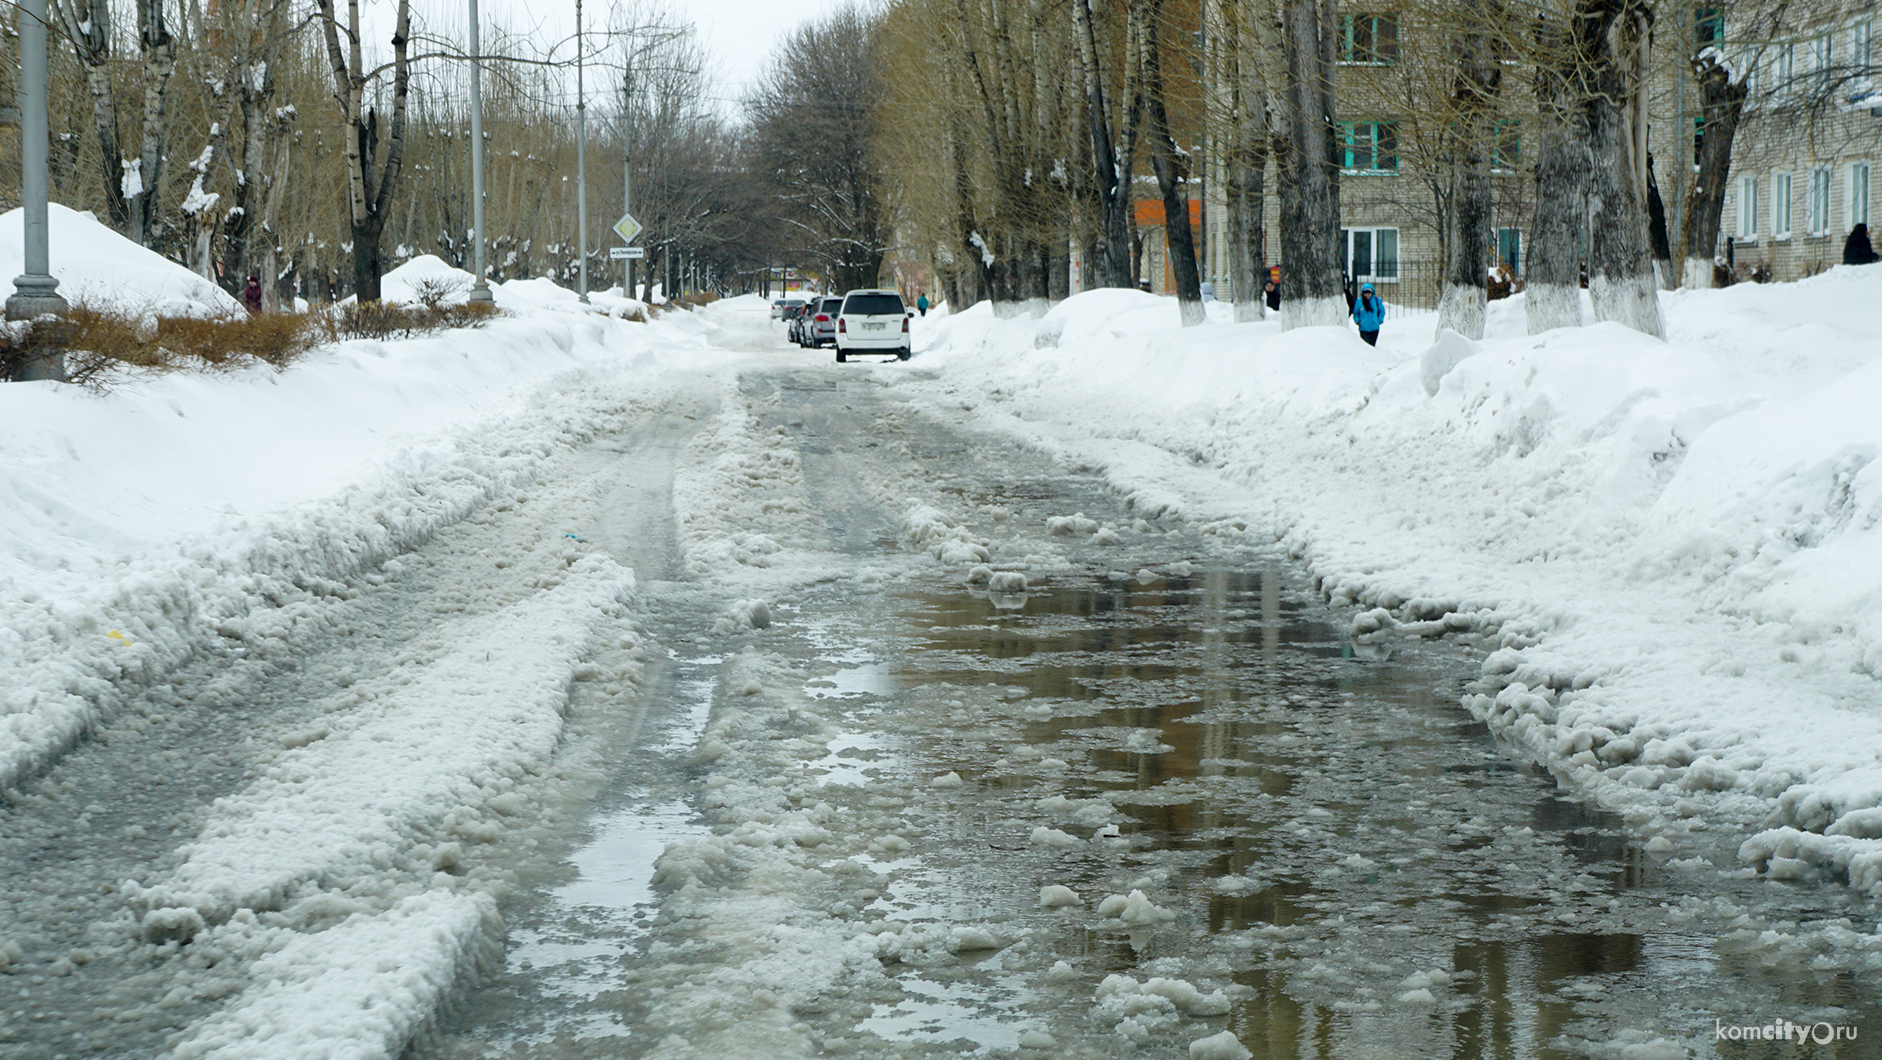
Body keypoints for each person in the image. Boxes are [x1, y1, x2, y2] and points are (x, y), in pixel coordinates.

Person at [1351, 282, 1385, 346]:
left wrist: (1380, 320)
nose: (1367, 295)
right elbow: (1355, 313)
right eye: (1365, 293)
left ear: (1372, 293)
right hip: (1364, 328)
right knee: (1366, 346)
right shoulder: (1359, 302)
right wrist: (1357, 321)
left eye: (1369, 293)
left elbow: (1382, 311)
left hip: (1374, 328)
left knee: (1372, 346)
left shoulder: (1377, 301)